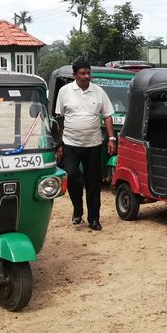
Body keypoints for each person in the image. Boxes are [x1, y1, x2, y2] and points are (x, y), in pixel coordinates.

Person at [55, 60, 116, 231]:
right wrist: (58, 144)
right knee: (73, 177)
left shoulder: (99, 92)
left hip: (93, 144)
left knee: (93, 183)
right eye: (82, 73)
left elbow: (108, 116)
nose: (86, 76)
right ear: (75, 75)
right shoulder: (64, 91)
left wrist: (111, 139)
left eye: (88, 73)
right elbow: (59, 118)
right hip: (70, 144)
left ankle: (94, 218)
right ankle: (77, 210)